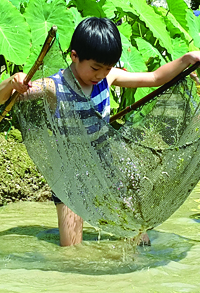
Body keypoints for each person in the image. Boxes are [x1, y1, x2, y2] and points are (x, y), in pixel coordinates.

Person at [1, 17, 200, 246]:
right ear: (75, 56)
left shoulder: (108, 78)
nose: (100, 75)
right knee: (71, 251)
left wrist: (187, 58)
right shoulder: (54, 87)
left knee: (137, 235)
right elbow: (10, 97)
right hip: (70, 177)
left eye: (106, 68)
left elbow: (154, 78)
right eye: (95, 68)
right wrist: (10, 84)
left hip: (107, 168)